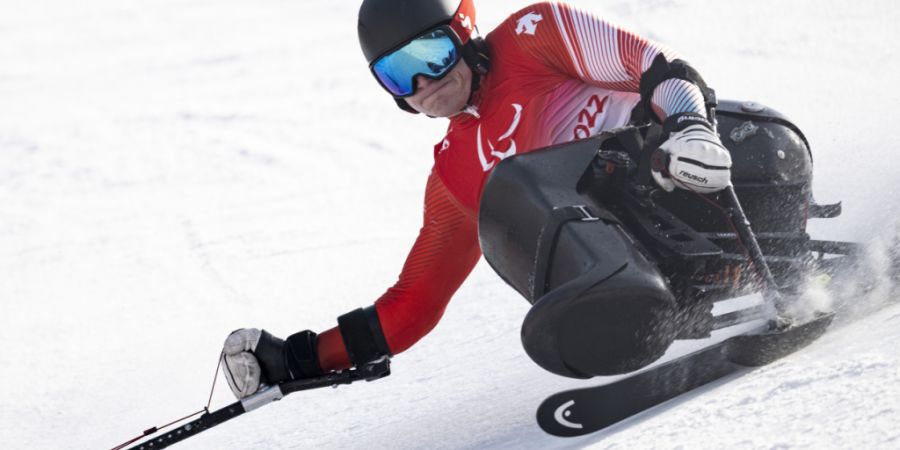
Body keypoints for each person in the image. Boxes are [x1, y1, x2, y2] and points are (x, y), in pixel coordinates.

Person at [221, 0, 733, 398]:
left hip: (704, 183)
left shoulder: (536, 36)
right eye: (398, 75)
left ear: (464, 31)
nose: (423, 83)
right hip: (649, 270)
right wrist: (298, 358)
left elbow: (658, 68)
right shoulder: (452, 173)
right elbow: (413, 303)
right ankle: (617, 308)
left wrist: (690, 128)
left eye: (432, 55)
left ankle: (628, 297)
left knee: (532, 179)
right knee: (514, 193)